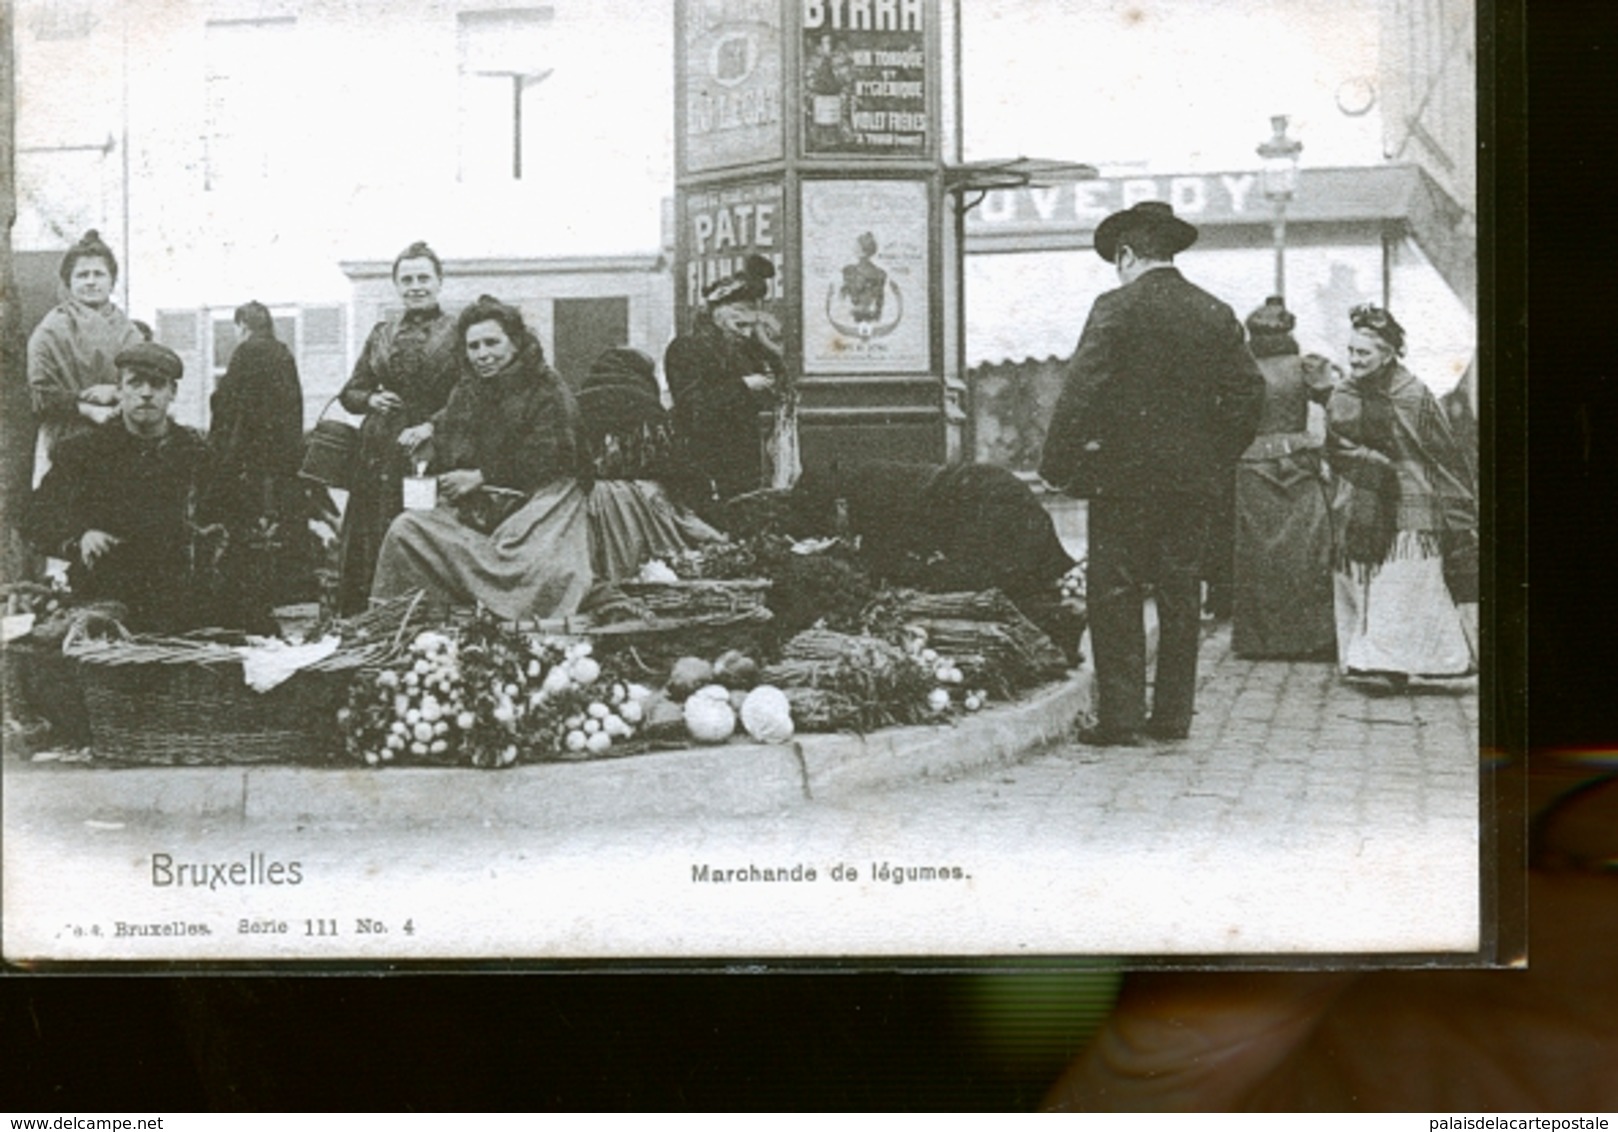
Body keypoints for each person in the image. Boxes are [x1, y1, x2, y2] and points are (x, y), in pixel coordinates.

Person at [1038, 201, 1264, 745]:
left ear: (1127, 254)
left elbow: (1081, 391)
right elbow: (1248, 393)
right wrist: (1214, 457)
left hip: (1122, 480)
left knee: (1115, 591)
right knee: (1181, 591)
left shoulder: (1115, 307)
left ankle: (1120, 718)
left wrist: (1060, 465)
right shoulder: (1215, 311)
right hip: (1191, 481)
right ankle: (1172, 718)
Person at [369, 296, 591, 621]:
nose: (483, 354)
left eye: (492, 343)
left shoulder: (545, 386)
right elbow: (449, 436)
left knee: (542, 568)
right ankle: (418, 622)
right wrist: (430, 448)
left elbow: (554, 453)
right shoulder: (467, 390)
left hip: (540, 500)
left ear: (515, 342)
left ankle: (508, 620)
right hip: (478, 507)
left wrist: (482, 475)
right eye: (474, 346)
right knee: (406, 530)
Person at [1326, 304, 1476, 693]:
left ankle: (1390, 663)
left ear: (1389, 354)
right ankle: (1369, 658)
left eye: (1364, 353)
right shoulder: (1343, 393)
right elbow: (1335, 447)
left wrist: (1458, 510)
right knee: (1362, 584)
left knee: (1404, 588)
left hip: (1411, 507)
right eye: (1352, 351)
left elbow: (1445, 456)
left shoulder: (1416, 396)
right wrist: (1368, 463)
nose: (1355, 360)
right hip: (1358, 502)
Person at [25, 343, 214, 632]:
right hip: (104, 600)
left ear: (172, 393)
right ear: (120, 390)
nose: (146, 392)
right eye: (135, 382)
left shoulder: (198, 453)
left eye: (157, 384)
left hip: (182, 604)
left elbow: (232, 519)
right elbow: (35, 517)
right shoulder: (84, 452)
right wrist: (79, 537)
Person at [334, 240, 460, 614]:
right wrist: (370, 399)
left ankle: (423, 619)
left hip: (432, 450)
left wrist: (432, 426)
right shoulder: (381, 334)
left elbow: (470, 394)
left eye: (424, 277)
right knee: (373, 531)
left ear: (439, 281)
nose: (415, 286)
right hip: (379, 452)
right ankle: (370, 617)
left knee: (424, 531)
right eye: (406, 279)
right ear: (397, 286)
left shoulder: (457, 332)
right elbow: (350, 391)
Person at [1230, 296, 1338, 659]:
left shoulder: (1238, 369)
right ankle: (1314, 639)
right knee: (1309, 552)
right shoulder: (1305, 366)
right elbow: (1336, 405)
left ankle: (1261, 642)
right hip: (1297, 462)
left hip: (1252, 465)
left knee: (1258, 556)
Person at [205, 301, 315, 631]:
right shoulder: (283, 353)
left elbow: (227, 409)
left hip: (246, 464)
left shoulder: (245, 353)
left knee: (245, 541)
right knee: (279, 537)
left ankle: (246, 613)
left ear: (242, 326)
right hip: (281, 463)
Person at [574, 346, 724, 581]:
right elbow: (671, 464)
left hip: (585, 502)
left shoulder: (576, 405)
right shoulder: (646, 406)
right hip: (639, 501)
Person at [26, 229, 144, 487]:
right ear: (68, 283)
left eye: (99, 274)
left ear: (112, 281)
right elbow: (38, 394)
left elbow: (147, 383)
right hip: (66, 439)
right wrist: (86, 407)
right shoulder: (51, 329)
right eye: (82, 275)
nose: (91, 282)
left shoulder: (130, 331)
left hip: (122, 439)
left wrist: (115, 391)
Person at [663, 254, 782, 504]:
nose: (747, 330)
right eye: (740, 317)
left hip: (747, 470)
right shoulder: (686, 349)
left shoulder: (747, 350)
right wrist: (744, 386)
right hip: (706, 470)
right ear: (717, 312)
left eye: (752, 321)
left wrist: (767, 349)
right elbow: (694, 408)